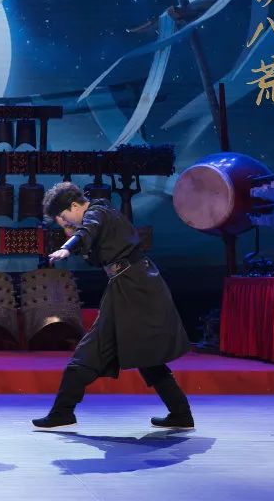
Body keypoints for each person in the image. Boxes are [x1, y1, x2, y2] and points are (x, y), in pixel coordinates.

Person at [32, 182, 194, 431]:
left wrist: (66, 247)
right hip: (129, 285)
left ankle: (62, 413)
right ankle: (181, 414)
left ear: (74, 205)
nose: (66, 223)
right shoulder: (102, 214)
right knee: (144, 353)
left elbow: (88, 228)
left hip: (136, 287)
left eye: (65, 217)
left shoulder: (97, 212)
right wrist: (72, 235)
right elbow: (91, 241)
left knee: (96, 350)